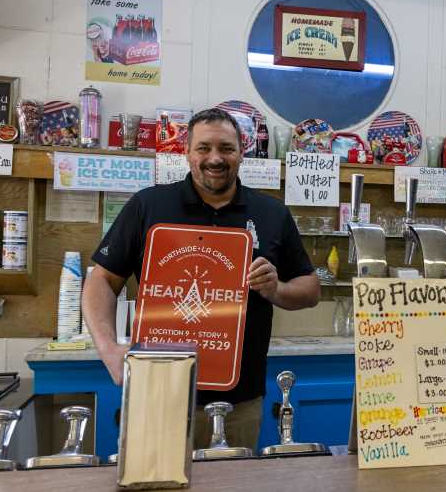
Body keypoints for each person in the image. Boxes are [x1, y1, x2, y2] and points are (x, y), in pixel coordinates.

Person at [82, 108, 320, 450]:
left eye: (226, 148)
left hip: (240, 401)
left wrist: (277, 289)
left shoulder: (271, 213)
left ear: (241, 152)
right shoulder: (148, 205)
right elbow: (101, 281)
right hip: (158, 390)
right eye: (204, 148)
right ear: (187, 152)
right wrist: (108, 350)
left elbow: (310, 289)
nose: (215, 158)